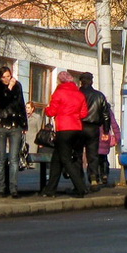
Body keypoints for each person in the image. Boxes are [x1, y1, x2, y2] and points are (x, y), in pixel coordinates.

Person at [41, 70, 89, 198]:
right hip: (77, 129)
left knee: (66, 160)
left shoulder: (59, 93)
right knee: (56, 160)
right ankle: (50, 190)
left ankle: (81, 188)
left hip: (64, 129)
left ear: (60, 81)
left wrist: (47, 109)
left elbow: (51, 112)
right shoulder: (79, 94)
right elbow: (84, 113)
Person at [0, 66, 27, 198]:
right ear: (0, 77)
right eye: (4, 77)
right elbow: (2, 102)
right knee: (1, 158)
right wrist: (9, 88)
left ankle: (13, 189)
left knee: (14, 158)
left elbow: (21, 104)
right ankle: (1, 188)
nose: (7, 79)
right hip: (1, 124)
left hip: (15, 125)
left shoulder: (18, 86)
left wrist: (24, 124)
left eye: (9, 76)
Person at [78, 72, 110, 190]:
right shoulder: (99, 96)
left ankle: (79, 181)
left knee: (78, 154)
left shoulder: (77, 94)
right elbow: (106, 115)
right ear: (92, 81)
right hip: (93, 128)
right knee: (93, 155)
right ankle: (93, 179)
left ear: (81, 81)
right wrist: (106, 131)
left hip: (78, 126)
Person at [97, 103, 121, 186]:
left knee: (95, 158)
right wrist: (118, 137)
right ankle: (104, 174)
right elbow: (114, 125)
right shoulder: (108, 111)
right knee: (104, 157)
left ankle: (97, 177)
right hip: (105, 137)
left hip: (95, 137)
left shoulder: (94, 109)